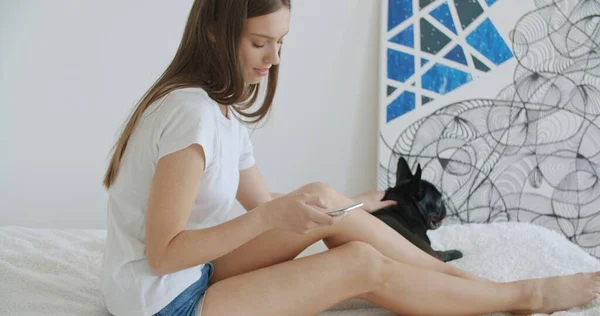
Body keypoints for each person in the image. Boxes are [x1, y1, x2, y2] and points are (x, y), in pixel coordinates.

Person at [100, 0, 600, 315]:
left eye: (280, 43)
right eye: (259, 42)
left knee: (321, 197)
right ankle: (522, 298)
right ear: (214, 32)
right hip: (164, 301)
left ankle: (457, 282)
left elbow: (266, 204)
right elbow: (165, 252)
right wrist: (277, 215)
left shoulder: (221, 111)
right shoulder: (192, 116)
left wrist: (348, 206)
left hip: (193, 272)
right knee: (359, 263)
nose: (273, 59)